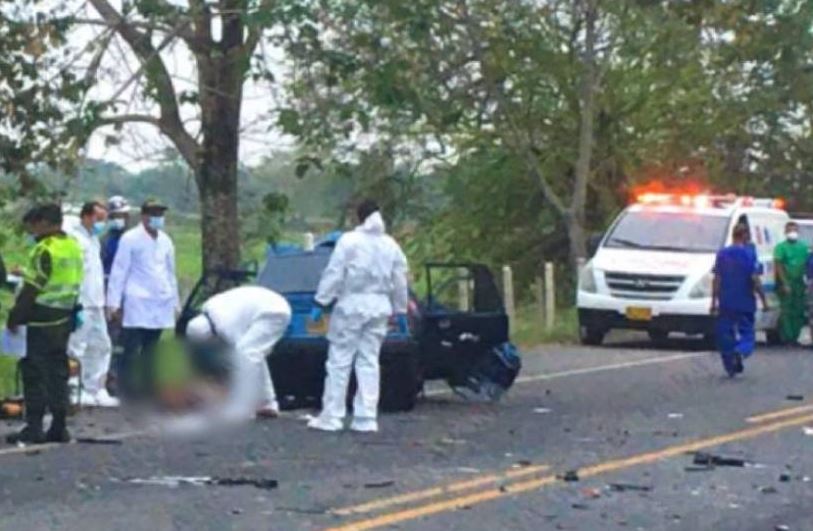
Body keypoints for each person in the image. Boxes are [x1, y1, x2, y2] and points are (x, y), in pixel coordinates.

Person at [308, 200, 409, 433]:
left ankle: (332, 416)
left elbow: (335, 273)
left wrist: (321, 301)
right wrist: (400, 309)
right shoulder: (390, 244)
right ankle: (366, 418)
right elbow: (400, 280)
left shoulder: (349, 241)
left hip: (351, 305)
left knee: (339, 360)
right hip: (380, 307)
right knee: (369, 361)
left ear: (358, 217)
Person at [6, 204, 84, 444]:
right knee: (58, 372)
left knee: (35, 373)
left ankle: (35, 427)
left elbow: (32, 288)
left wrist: (15, 317)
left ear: (44, 223)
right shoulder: (72, 247)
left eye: (33, 225)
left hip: (40, 319)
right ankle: (59, 427)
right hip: (64, 318)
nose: (32, 230)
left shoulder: (44, 249)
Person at [106, 199, 179, 399]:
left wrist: (175, 302)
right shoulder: (131, 238)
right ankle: (126, 387)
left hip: (160, 300)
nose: (158, 218)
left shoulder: (165, 240)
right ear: (144, 216)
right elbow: (119, 271)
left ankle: (149, 387)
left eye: (160, 214)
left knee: (152, 347)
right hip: (137, 300)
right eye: (154, 214)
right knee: (131, 347)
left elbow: (170, 272)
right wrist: (113, 302)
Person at [184, 286, 292, 420]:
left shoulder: (225, 327)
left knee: (245, 357)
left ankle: (242, 406)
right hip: (270, 305)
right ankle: (267, 402)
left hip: (271, 312)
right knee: (253, 354)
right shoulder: (209, 307)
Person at [66, 201, 118, 407]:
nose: (101, 223)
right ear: (86, 216)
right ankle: (73, 389)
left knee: (102, 345)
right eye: (98, 218)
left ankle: (95, 388)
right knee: (76, 347)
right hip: (81, 302)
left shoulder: (93, 239)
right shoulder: (75, 239)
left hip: (96, 301)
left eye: (104, 219)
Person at [711, 224, 768, 377]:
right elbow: (755, 279)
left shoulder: (722, 254)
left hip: (726, 301)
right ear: (745, 236)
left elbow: (717, 279)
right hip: (745, 301)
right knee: (747, 333)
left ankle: (730, 365)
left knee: (725, 334)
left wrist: (713, 302)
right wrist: (764, 300)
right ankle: (740, 352)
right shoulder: (748, 254)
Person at [774, 221, 809, 345]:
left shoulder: (804, 247)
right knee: (787, 311)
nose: (792, 233)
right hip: (787, 282)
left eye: (794, 230)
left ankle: (795, 336)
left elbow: (807, 265)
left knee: (798, 310)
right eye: (789, 230)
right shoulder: (781, 247)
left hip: (800, 283)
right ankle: (788, 337)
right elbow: (778, 265)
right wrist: (784, 283)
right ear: (785, 232)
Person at [102, 195, 131, 281]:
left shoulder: (135, 239)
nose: (116, 219)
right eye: (113, 216)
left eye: (120, 216)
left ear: (127, 217)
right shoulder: (103, 241)